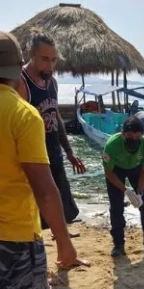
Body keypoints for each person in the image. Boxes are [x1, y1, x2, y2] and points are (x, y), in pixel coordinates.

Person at [0, 30, 78, 289]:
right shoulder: (21, 113)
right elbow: (45, 190)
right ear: (21, 67)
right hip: (13, 227)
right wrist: (64, 244)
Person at [15, 30, 86, 234]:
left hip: (53, 150)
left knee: (60, 198)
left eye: (54, 60)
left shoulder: (52, 82)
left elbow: (55, 118)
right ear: (31, 54)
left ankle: (62, 239)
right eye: (45, 59)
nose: (50, 65)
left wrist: (69, 152)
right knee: (35, 206)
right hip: (33, 154)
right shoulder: (21, 83)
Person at [102, 116, 144, 256]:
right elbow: (108, 172)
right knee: (116, 207)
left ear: (142, 135)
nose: (133, 140)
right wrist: (126, 191)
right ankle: (118, 244)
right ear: (123, 133)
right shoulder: (112, 145)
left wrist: (139, 192)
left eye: (137, 137)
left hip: (137, 168)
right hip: (116, 170)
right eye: (129, 136)